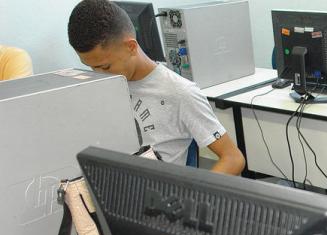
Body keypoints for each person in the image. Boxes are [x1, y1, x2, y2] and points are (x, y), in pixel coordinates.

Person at [67, 0, 245, 175]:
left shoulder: (179, 92)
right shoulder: (102, 84)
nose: (99, 75)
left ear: (131, 47)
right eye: (90, 67)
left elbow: (233, 158)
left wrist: (195, 196)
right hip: (117, 184)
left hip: (158, 195)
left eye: (105, 67)